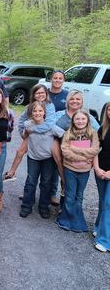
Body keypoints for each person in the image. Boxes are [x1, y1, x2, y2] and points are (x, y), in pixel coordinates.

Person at [4, 84, 63, 206]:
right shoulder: (29, 108)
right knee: (22, 155)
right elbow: (21, 121)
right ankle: (14, 176)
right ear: (33, 95)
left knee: (51, 171)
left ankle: (50, 196)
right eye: (38, 93)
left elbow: (50, 125)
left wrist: (33, 129)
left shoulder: (50, 106)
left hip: (48, 138)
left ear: (46, 94)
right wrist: (24, 133)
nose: (40, 95)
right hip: (32, 139)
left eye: (43, 92)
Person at [19, 101, 64, 219]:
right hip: (33, 157)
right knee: (31, 181)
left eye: (40, 111)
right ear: (31, 113)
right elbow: (24, 136)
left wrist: (60, 146)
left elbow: (64, 135)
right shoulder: (28, 124)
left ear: (44, 113)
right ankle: (26, 206)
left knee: (46, 183)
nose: (37, 113)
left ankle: (44, 207)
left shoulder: (51, 127)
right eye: (35, 111)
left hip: (48, 158)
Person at [56, 110, 99, 232]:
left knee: (79, 196)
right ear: (73, 121)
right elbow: (65, 152)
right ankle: (66, 220)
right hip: (70, 169)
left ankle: (77, 221)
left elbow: (95, 150)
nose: (80, 121)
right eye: (77, 119)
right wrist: (85, 157)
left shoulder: (93, 133)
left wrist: (75, 149)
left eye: (83, 119)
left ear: (87, 120)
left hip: (84, 171)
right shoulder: (68, 134)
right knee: (70, 196)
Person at [93, 102, 110, 252]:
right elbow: (95, 151)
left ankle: (105, 240)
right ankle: (99, 226)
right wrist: (97, 168)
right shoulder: (102, 129)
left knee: (108, 203)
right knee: (103, 201)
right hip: (100, 171)